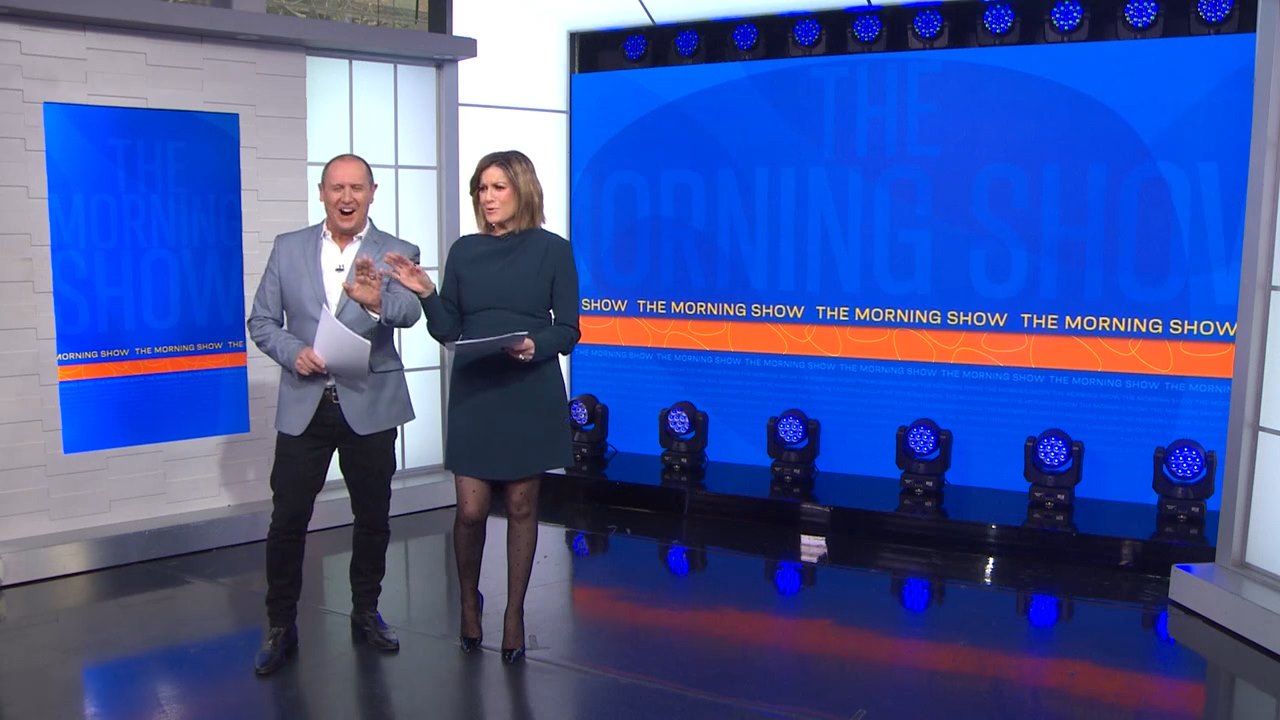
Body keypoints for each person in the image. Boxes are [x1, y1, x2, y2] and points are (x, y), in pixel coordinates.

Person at [385, 150, 580, 664]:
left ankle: (514, 614)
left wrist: (535, 344)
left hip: (528, 387)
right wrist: (427, 292)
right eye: (481, 189)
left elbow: (568, 329)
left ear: (522, 189)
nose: (487, 198)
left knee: (521, 506)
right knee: (471, 510)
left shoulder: (554, 250)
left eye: (497, 187)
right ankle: (470, 602)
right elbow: (448, 327)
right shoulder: (465, 251)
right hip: (476, 387)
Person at [246, 153, 422, 676]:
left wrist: (375, 303)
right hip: (306, 402)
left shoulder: (396, 250)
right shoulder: (288, 247)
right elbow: (261, 320)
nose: (347, 198)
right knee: (287, 519)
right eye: (337, 188)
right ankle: (280, 625)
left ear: (372, 193)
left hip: (370, 402)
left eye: (357, 188)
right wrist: (292, 352)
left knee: (373, 516)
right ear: (321, 192)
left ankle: (366, 611)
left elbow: (411, 312)